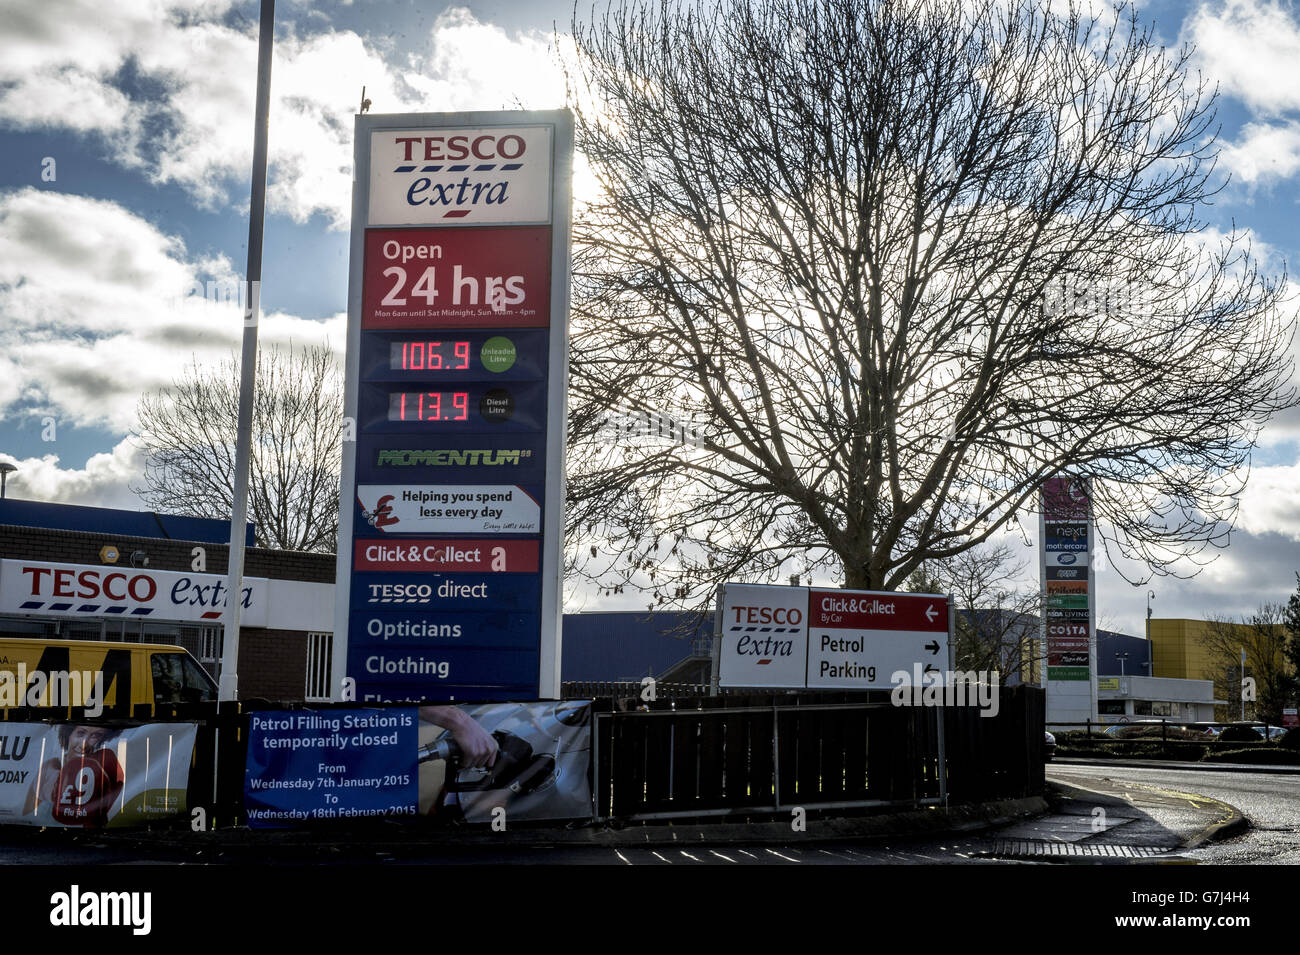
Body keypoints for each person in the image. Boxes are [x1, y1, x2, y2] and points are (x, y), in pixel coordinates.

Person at [28, 725, 125, 827]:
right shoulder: (49, 766)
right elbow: (24, 813)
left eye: (95, 736)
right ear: (68, 735)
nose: (84, 744)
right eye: (81, 733)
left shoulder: (105, 763)